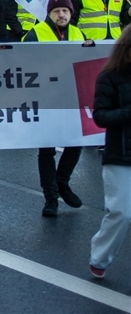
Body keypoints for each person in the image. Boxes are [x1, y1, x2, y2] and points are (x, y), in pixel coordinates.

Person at [23, 0, 93, 217]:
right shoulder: (36, 33)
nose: (62, 15)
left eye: (65, 11)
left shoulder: (77, 32)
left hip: (71, 98)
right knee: (47, 149)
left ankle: (62, 183)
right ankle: (50, 197)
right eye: (57, 11)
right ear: (49, 14)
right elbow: (23, 65)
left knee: (76, 143)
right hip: (46, 100)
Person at [88, 26, 131, 279]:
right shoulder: (110, 77)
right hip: (121, 155)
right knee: (121, 213)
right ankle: (100, 258)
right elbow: (100, 117)